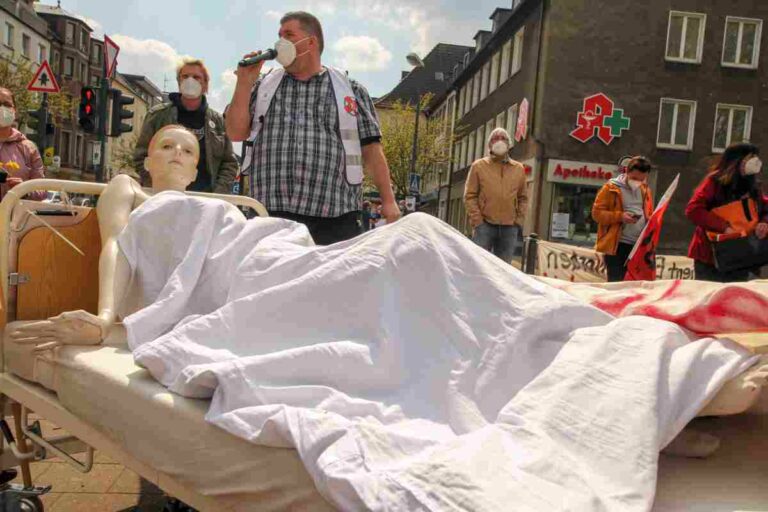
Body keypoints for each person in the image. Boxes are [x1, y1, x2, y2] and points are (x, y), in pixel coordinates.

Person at [225, 11, 400, 245]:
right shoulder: (263, 86)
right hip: (271, 213)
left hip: (334, 217)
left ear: (311, 42)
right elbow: (235, 132)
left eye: (288, 35)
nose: (280, 43)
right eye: (278, 36)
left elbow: (371, 149)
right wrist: (244, 83)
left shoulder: (350, 90)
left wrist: (388, 201)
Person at [134, 58, 238, 194]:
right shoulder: (157, 116)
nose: (190, 80)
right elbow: (140, 156)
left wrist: (217, 195)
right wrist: (157, 186)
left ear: (205, 85)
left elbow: (229, 163)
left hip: (205, 201)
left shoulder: (218, 122)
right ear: (179, 82)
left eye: (196, 77)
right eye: (185, 76)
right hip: (164, 196)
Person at [685, 142, 768, 282]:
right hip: (712, 256)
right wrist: (725, 227)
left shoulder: (753, 185)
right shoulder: (715, 182)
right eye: (750, 157)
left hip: (745, 255)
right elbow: (694, 210)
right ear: (737, 160)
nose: (755, 161)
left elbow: (765, 208)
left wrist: (764, 223)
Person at [464, 127, 528, 263]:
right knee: (478, 265)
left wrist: (518, 221)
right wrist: (478, 221)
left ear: (509, 144)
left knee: (504, 270)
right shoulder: (478, 166)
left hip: (509, 227)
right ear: (489, 144)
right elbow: (470, 196)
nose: (499, 141)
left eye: (503, 138)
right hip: (485, 226)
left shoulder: (518, 169)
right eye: (495, 138)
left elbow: (523, 198)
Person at [592, 156, 654, 282]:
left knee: (634, 284)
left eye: (642, 179)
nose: (638, 182)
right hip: (617, 246)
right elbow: (596, 214)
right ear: (626, 172)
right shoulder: (610, 188)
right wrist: (620, 216)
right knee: (616, 283)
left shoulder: (645, 190)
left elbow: (649, 212)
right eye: (635, 178)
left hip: (638, 246)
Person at [0, 87, 45, 201]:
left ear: (14, 110)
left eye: (6, 104)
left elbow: (42, 189)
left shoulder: (28, 148)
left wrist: (23, 190)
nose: (2, 108)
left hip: (15, 217)